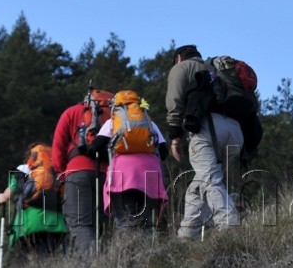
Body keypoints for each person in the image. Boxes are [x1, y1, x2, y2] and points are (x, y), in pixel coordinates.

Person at [165, 45, 242, 238]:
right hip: (236, 131)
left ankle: (230, 227)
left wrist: (175, 136)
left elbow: (174, 100)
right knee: (198, 186)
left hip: (208, 129)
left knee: (210, 181)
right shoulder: (216, 70)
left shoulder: (182, 67)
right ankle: (187, 235)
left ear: (179, 58)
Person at [86, 90, 170, 234]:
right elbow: (163, 151)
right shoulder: (149, 122)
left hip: (123, 175)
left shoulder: (113, 122)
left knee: (125, 220)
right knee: (146, 222)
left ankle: (127, 247)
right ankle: (147, 247)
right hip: (150, 173)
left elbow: (96, 147)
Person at [51, 88, 115, 254]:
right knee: (104, 226)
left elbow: (57, 149)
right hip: (108, 174)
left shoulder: (71, 112)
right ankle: (109, 265)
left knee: (81, 224)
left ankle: (93, 264)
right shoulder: (114, 115)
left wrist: (61, 174)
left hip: (77, 172)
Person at [0, 144, 69, 254]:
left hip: (29, 225)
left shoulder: (22, 170)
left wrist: (1, 197)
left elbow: (9, 194)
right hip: (56, 224)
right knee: (47, 257)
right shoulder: (55, 172)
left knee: (26, 260)